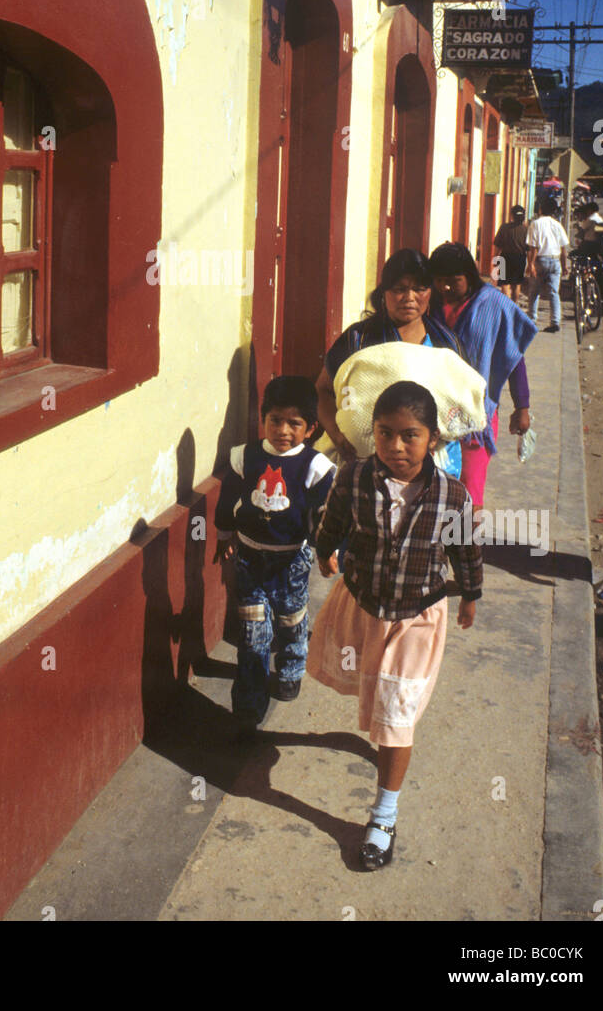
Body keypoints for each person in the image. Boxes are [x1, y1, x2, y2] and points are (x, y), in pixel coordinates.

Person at [307, 381, 481, 870]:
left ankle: (384, 816)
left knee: (396, 715)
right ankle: (382, 760)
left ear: (433, 440)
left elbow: (465, 551)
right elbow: (334, 519)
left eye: (411, 435)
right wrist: (325, 550)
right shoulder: (355, 477)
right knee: (378, 701)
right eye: (386, 434)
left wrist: (471, 594)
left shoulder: (452, 494)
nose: (397, 447)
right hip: (365, 603)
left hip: (418, 616)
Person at [214, 375, 335, 734]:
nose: (283, 430)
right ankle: (249, 706)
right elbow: (226, 501)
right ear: (263, 419)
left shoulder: (316, 468)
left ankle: (292, 668)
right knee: (253, 631)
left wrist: (327, 550)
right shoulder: (244, 457)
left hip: (291, 562)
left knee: (291, 618)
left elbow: (324, 517)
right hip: (250, 558)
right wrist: (224, 535)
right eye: (275, 420)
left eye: (294, 423)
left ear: (310, 428)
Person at [316, 249, 467, 467]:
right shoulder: (358, 339)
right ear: (384, 292)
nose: (410, 298)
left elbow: (461, 401)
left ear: (430, 293)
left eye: (419, 289)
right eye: (400, 289)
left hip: (433, 465)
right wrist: (337, 435)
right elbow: (323, 390)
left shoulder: (446, 343)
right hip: (365, 464)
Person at [429, 242, 535, 511]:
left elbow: (513, 357)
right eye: (440, 281)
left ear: (470, 276)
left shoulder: (494, 304)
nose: (446, 288)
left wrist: (522, 407)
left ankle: (467, 549)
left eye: (454, 281)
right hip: (433, 411)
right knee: (436, 487)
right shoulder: (429, 305)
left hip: (477, 414)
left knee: (469, 490)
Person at [525, 197, 570, 332]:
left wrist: (530, 264)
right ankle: (555, 321)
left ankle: (532, 320)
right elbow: (563, 249)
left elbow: (534, 247)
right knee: (554, 293)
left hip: (541, 260)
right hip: (555, 261)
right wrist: (564, 266)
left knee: (534, 292)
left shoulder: (536, 224)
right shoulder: (558, 225)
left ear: (540, 209)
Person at [492, 204, 528, 304]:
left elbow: (497, 245)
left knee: (505, 283)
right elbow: (528, 248)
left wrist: (495, 259)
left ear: (512, 215)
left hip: (505, 257)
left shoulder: (504, 228)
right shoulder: (526, 230)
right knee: (516, 284)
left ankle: (506, 304)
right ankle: (514, 304)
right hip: (520, 258)